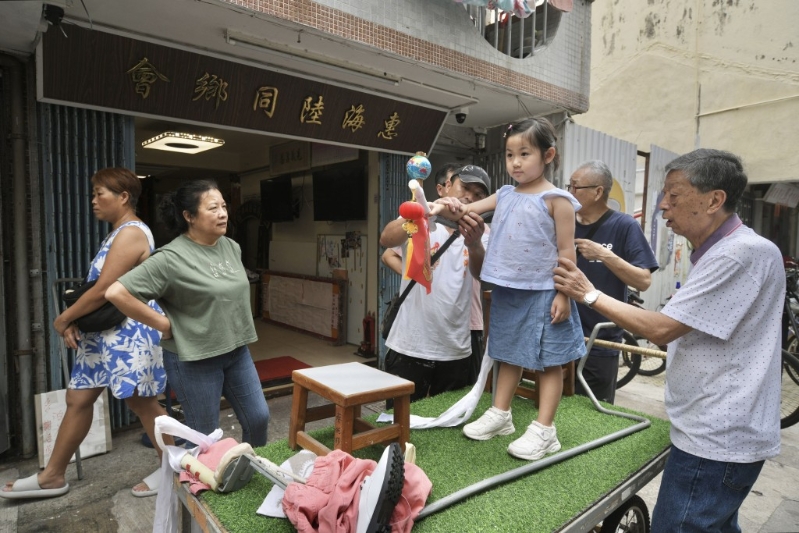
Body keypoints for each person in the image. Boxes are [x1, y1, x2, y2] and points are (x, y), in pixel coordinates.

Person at [554, 149, 783, 533]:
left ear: (714, 200)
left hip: (716, 437)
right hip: (715, 429)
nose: (663, 205)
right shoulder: (722, 253)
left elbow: (661, 326)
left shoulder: (739, 254)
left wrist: (588, 293)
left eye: (674, 195)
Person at [1, 168, 170, 500]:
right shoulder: (116, 233)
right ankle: (52, 475)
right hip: (104, 334)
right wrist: (79, 320)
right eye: (93, 194)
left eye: (99, 193)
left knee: (143, 402)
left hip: (128, 333)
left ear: (123, 197)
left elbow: (106, 288)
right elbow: (98, 290)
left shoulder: (133, 232)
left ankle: (171, 469)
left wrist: (63, 318)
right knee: (78, 398)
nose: (93, 201)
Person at [431, 117, 585, 461]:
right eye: (509, 154)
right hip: (508, 290)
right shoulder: (504, 195)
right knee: (506, 353)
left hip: (545, 290)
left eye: (524, 154)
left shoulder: (557, 200)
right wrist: (442, 205)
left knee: (549, 363)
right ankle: (501, 415)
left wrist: (563, 293)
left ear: (548, 155)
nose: (515, 162)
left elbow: (567, 252)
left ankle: (545, 430)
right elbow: (466, 208)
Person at [106, 180, 270, 447]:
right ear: (189, 216)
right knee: (204, 436)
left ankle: (248, 473)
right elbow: (117, 292)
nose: (223, 213)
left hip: (237, 351)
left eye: (224, 206)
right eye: (213, 207)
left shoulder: (231, 247)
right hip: (195, 359)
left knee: (258, 418)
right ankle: (202, 486)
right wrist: (162, 323)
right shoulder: (170, 258)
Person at [380, 164, 491, 402]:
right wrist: (419, 216)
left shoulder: (483, 232)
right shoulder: (423, 210)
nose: (470, 197)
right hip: (409, 341)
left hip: (455, 344)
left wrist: (474, 244)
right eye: (465, 187)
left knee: (447, 418)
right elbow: (386, 239)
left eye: (479, 195)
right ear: (447, 187)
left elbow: (483, 277)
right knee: (399, 418)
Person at [569, 160, 658, 404]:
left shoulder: (623, 225)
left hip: (599, 341)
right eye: (569, 186)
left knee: (594, 413)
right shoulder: (563, 222)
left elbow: (643, 281)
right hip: (562, 337)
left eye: (575, 187)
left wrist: (603, 254)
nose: (569, 193)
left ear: (598, 192)